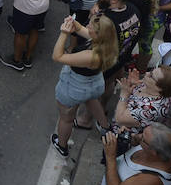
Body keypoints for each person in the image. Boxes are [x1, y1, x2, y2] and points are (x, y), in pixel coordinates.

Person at [50, 15, 120, 159]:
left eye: (91, 27)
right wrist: (72, 22)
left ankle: (61, 146)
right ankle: (105, 127)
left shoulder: (91, 56)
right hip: (94, 84)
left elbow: (57, 57)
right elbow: (81, 28)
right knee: (92, 99)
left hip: (75, 88)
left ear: (98, 34)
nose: (87, 26)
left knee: (66, 118)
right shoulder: (107, 43)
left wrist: (64, 33)